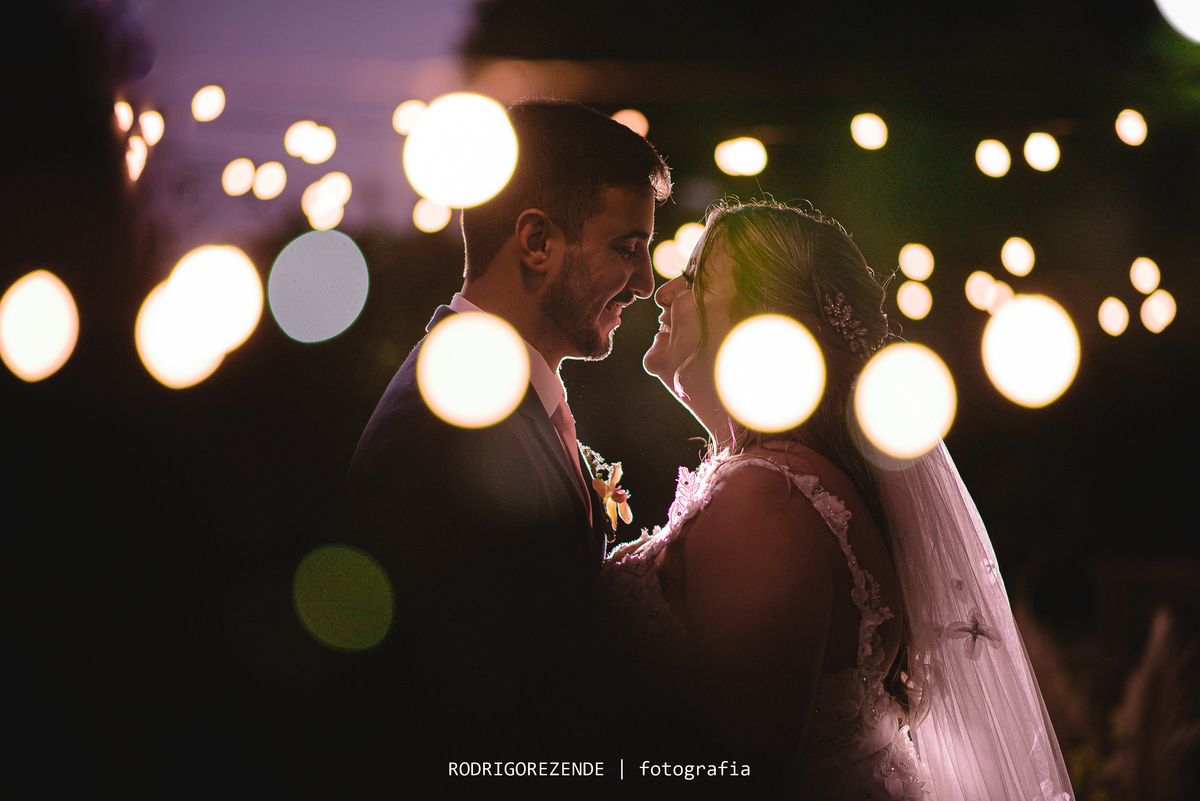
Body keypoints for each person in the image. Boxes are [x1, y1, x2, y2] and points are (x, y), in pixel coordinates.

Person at [601, 201, 1074, 798]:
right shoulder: (784, 483)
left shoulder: (764, 500)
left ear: (760, 320)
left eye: (695, 278)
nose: (665, 289)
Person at [346, 100, 671, 758]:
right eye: (627, 249)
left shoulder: (499, 399)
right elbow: (467, 714)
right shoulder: (448, 431)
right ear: (537, 242)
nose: (645, 282)